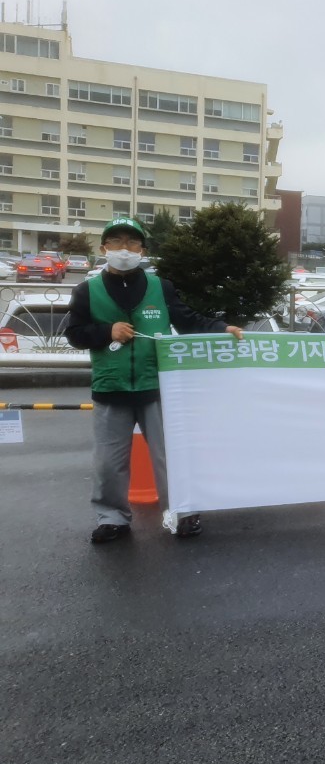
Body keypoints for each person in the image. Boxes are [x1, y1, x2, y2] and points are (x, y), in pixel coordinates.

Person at [65, 217, 243, 544]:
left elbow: (187, 320)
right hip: (111, 386)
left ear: (142, 250)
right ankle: (112, 518)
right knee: (108, 463)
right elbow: (74, 334)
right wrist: (107, 331)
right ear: (104, 248)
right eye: (116, 241)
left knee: (170, 456)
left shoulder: (161, 287)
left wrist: (221, 328)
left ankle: (183, 512)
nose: (124, 249)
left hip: (157, 386)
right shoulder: (86, 290)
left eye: (132, 242)